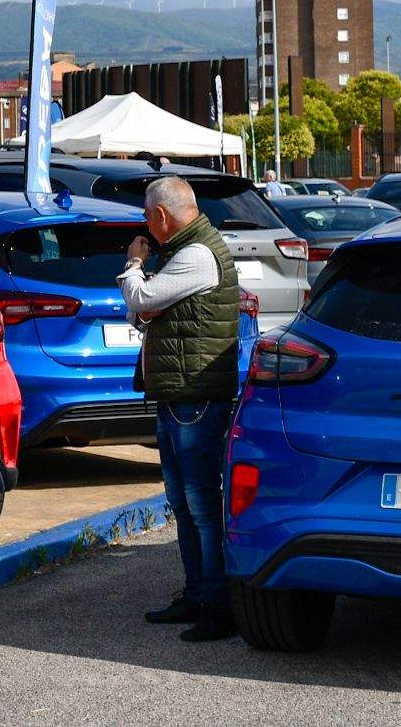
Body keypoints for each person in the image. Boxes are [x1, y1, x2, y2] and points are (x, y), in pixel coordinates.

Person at [119, 175, 239, 642]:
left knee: (203, 505)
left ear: (162, 216)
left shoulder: (196, 254)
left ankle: (218, 604)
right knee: (184, 504)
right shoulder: (185, 251)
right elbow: (142, 312)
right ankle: (196, 594)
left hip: (195, 395)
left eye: (148, 217)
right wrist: (144, 298)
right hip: (177, 393)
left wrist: (133, 263)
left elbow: (139, 299)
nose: (146, 226)